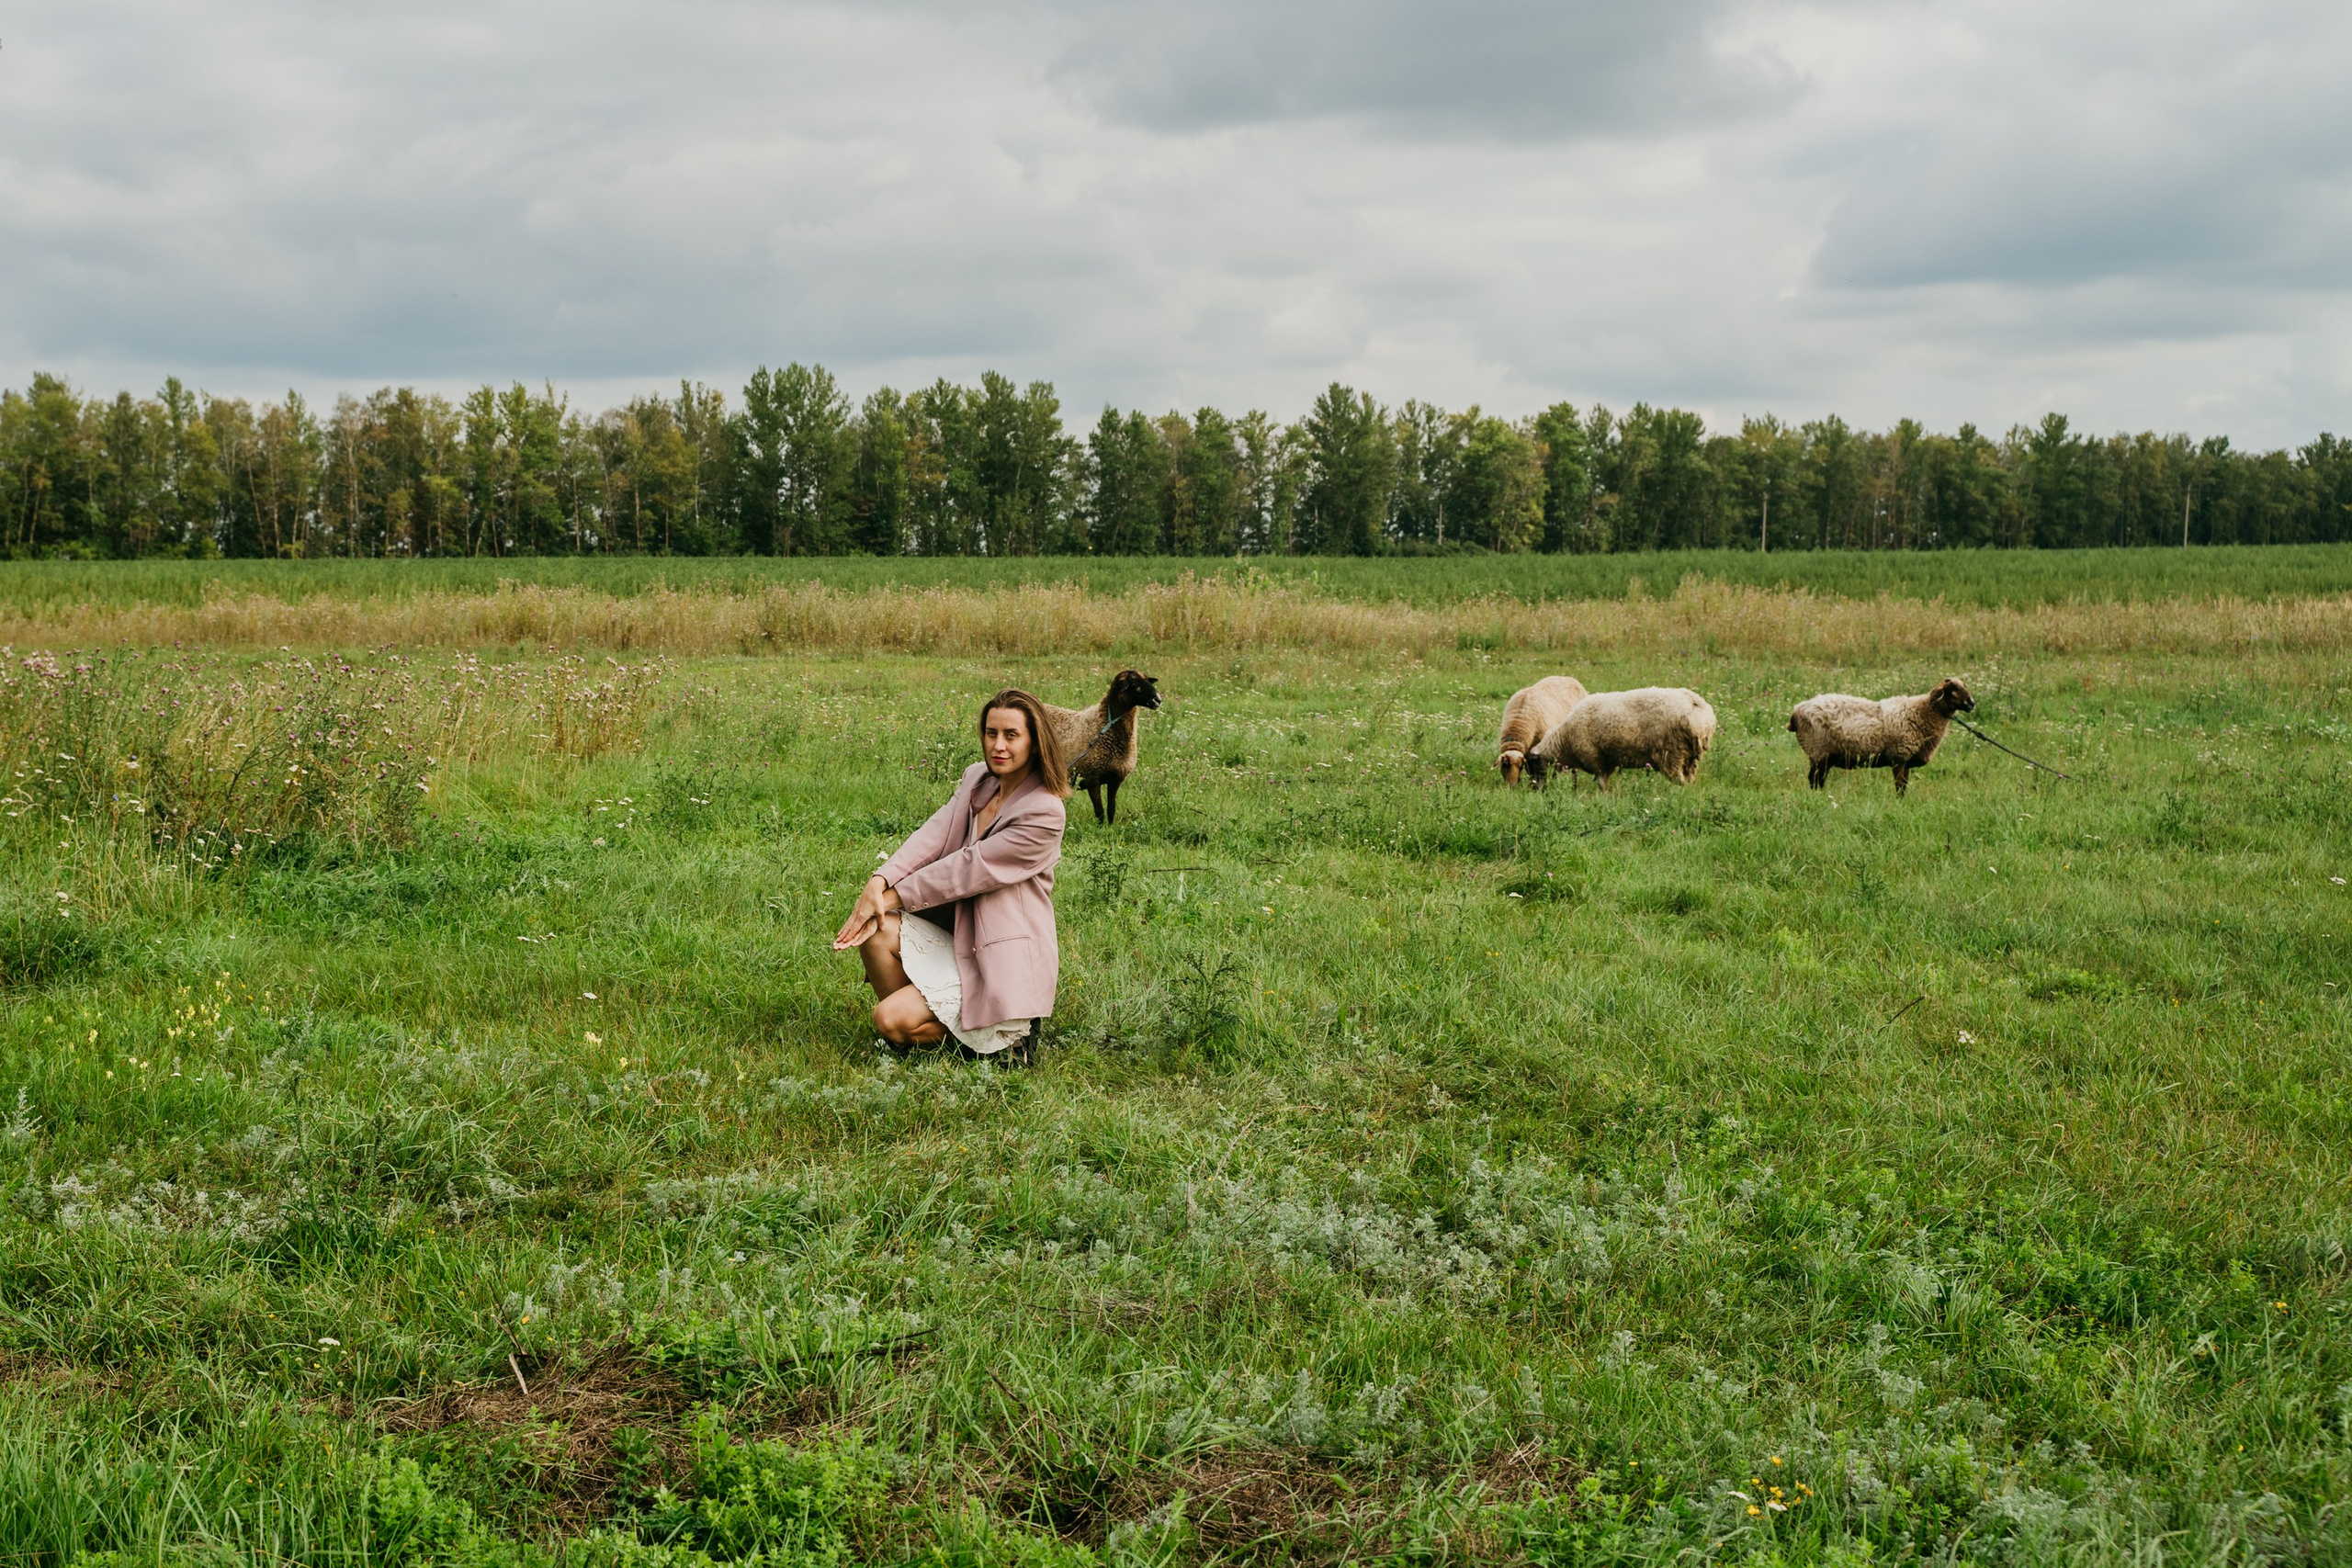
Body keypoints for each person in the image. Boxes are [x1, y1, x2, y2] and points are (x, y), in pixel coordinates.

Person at [832, 688, 1069, 1060]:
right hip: (959, 936)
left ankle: (1008, 1042)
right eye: (991, 734)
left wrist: (889, 899)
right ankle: (911, 1037)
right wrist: (879, 882)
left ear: (1036, 744)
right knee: (878, 930)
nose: (998, 746)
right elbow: (933, 835)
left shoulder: (1044, 812)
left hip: (1000, 961)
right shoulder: (979, 779)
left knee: (888, 1017)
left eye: (1011, 735)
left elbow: (967, 869)